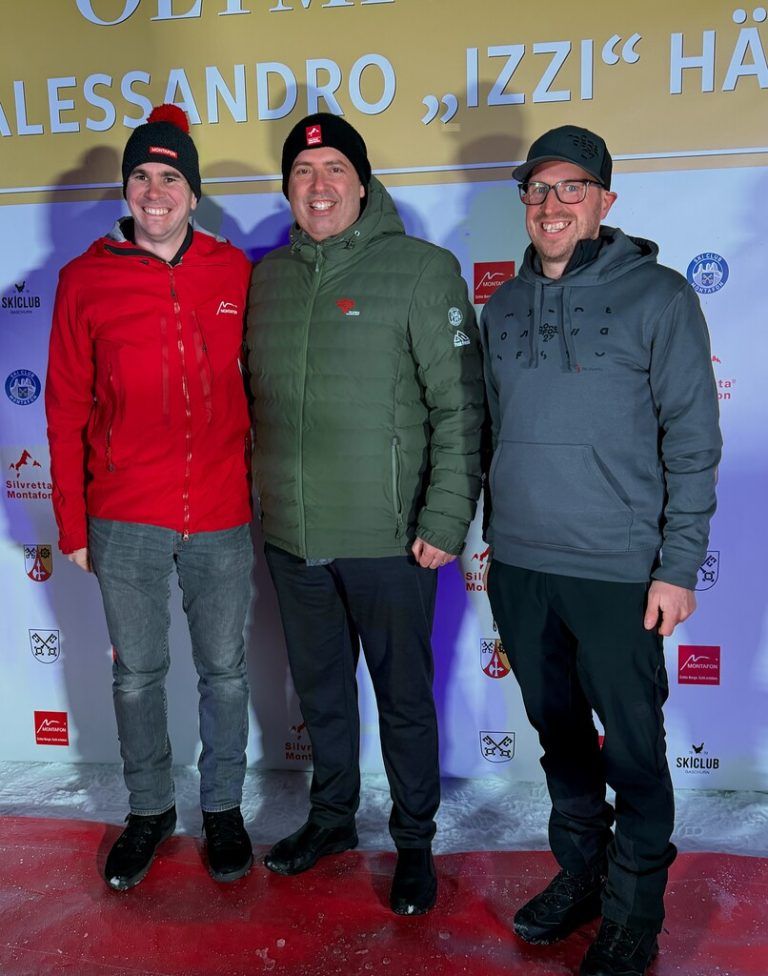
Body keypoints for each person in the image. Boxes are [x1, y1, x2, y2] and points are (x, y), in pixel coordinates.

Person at [480, 125, 721, 976]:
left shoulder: (658, 298)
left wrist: (677, 565)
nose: (552, 205)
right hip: (521, 567)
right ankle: (581, 875)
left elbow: (692, 441)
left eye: (571, 188)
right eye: (538, 190)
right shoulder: (501, 305)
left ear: (605, 201)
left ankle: (633, 911)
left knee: (632, 750)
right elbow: (489, 434)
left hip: (620, 571)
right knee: (561, 740)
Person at [246, 113, 484, 915]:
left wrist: (445, 520)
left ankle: (413, 842)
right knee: (321, 695)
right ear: (287, 187)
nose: (319, 185)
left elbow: (460, 409)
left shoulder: (422, 270)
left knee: (404, 698)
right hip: (294, 537)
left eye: (334, 168)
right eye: (304, 170)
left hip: (391, 539)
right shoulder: (268, 277)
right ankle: (332, 818)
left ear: (363, 179)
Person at [46, 104, 255, 892]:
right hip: (123, 514)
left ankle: (225, 810)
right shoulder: (82, 280)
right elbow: (62, 409)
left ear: (193, 194)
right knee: (136, 674)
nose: (156, 190)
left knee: (226, 672)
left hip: (222, 513)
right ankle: (149, 810)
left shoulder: (235, 271)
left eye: (171, 177)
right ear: (126, 190)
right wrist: (73, 521)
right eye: (142, 176)